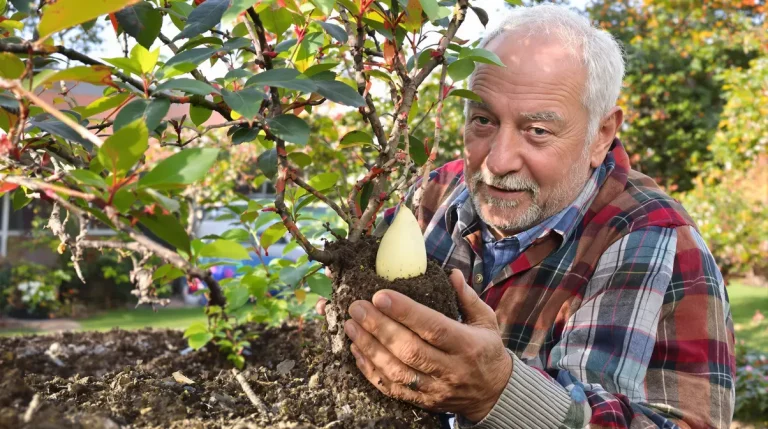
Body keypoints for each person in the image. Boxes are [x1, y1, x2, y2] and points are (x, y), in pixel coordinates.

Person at [318, 4, 735, 428]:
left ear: (601, 135)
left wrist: (499, 394)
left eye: (537, 131)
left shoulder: (652, 239)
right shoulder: (434, 194)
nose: (498, 162)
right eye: (483, 120)